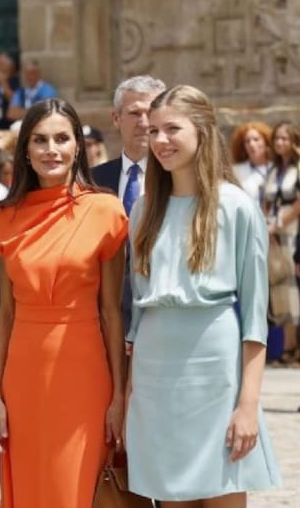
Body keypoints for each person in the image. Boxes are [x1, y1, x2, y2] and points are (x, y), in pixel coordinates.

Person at [127, 84, 282, 505]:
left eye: (172, 129)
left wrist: (248, 405)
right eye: (153, 130)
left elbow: (255, 320)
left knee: (223, 490)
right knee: (169, 496)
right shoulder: (143, 210)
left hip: (216, 372)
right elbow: (136, 318)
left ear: (202, 130)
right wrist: (129, 396)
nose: (160, 140)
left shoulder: (237, 207)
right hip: (154, 377)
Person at [0, 98, 127, 507]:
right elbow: (5, 315)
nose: (52, 150)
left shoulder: (105, 210)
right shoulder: (6, 216)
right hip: (23, 377)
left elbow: (111, 312)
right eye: (40, 140)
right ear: (25, 150)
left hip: (84, 373)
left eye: (62, 139)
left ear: (78, 146)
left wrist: (119, 395)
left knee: (76, 486)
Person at [92, 75, 166, 334]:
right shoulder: (92, 181)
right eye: (135, 113)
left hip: (162, 311)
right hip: (106, 315)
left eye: (151, 113)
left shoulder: (178, 180)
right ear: (116, 118)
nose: (144, 123)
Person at [263, 121, 300, 364]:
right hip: (273, 233)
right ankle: (289, 345)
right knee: (281, 287)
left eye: (284, 138)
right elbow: (266, 201)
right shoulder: (274, 170)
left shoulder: (298, 168)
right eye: (276, 138)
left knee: (295, 286)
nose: (279, 142)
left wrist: (279, 223)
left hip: (293, 231)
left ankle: (295, 346)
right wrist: (266, 225)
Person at [229, 121, 273, 204]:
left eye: (256, 139)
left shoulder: (276, 168)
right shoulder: (236, 171)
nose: (252, 144)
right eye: (247, 141)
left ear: (266, 142)